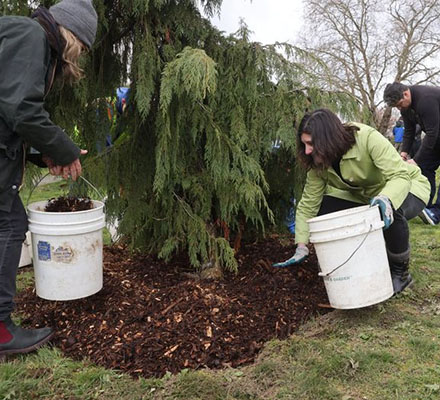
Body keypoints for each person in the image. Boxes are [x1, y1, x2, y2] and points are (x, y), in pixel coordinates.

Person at [0, 0, 98, 357]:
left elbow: (7, 111)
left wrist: (45, 155)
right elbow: (22, 110)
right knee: (10, 226)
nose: (80, 57)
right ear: (70, 33)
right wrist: (65, 147)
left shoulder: (19, 33)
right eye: (83, 47)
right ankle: (1, 331)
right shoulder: (32, 36)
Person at [273, 109, 430, 295]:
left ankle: (400, 274)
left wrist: (386, 199)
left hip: (408, 186)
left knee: (390, 210)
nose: (307, 150)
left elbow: (400, 176)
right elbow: (308, 205)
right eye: (304, 144)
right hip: (365, 197)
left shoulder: (367, 138)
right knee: (325, 206)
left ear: (328, 139)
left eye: (311, 144)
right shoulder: (319, 163)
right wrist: (301, 244)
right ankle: (366, 259)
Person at [383, 82, 440, 225]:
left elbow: (432, 133)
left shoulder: (426, 99)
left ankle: (437, 213)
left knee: (420, 162)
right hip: (436, 138)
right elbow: (409, 131)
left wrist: (415, 160)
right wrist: (403, 153)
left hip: (435, 135)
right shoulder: (405, 108)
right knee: (425, 168)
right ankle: (425, 206)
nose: (399, 108)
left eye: (400, 104)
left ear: (406, 94)